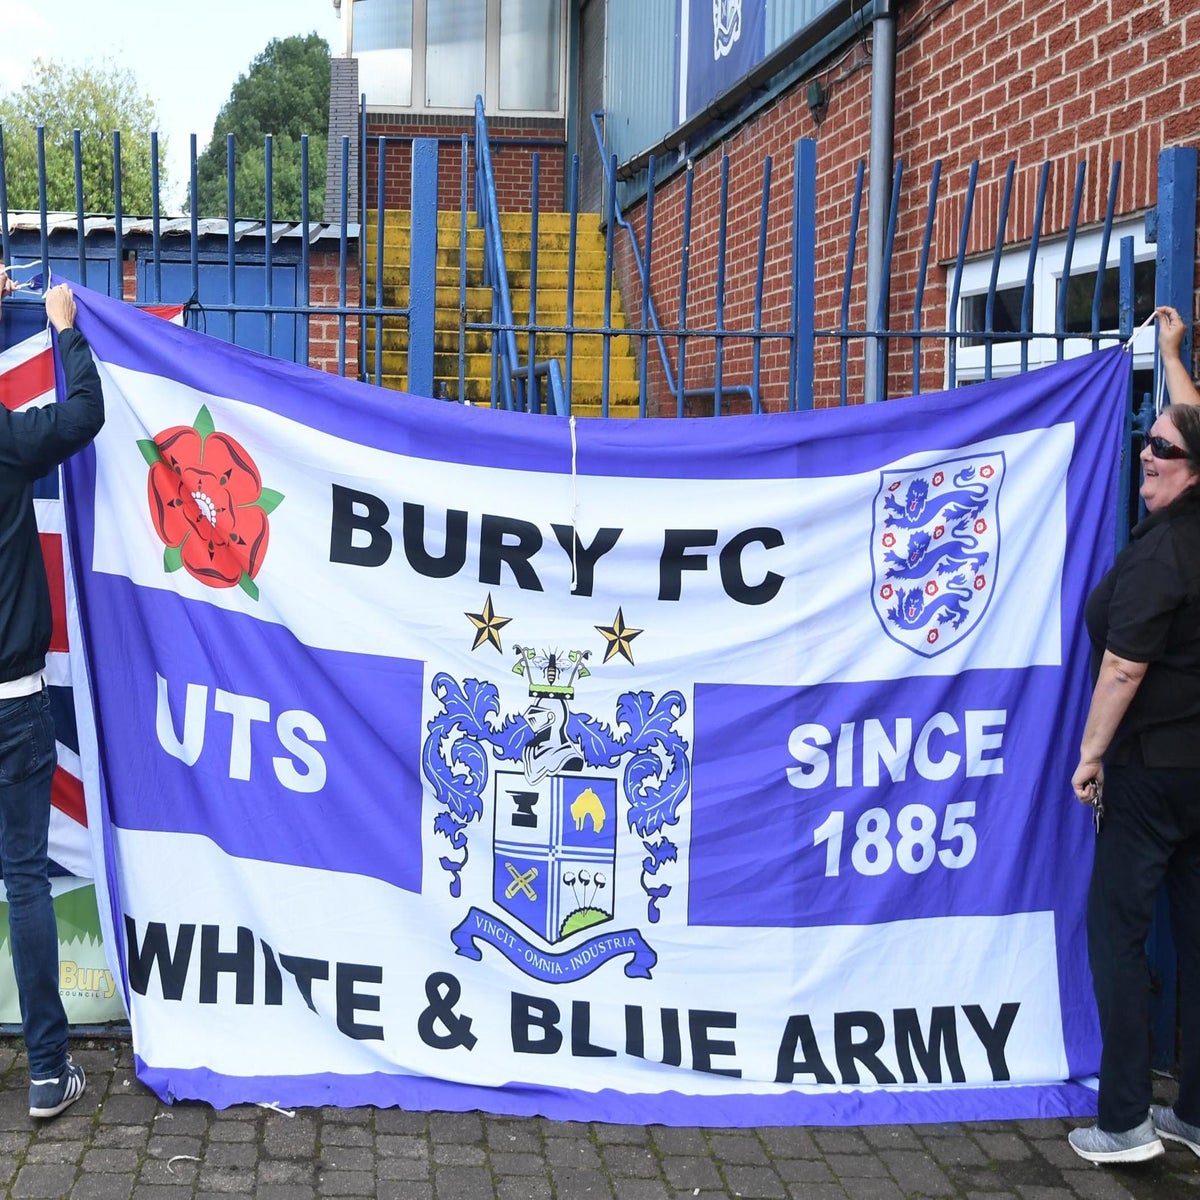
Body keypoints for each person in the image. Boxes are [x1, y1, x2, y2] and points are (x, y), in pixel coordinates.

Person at [1067, 313, 1200, 1163]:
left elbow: (1123, 669)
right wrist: (1173, 358)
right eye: (1145, 442)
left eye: (1161, 450)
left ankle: (1123, 1123)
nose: (1146, 455)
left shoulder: (1164, 554)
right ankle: (1193, 1113)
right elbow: (1192, 421)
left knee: (1115, 931)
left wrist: (1088, 757)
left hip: (1150, 775)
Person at [0, 273, 102, 1119]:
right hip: (14, 705)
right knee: (25, 878)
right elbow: (84, 417)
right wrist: (63, 328)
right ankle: (44, 1071)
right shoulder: (1, 438)